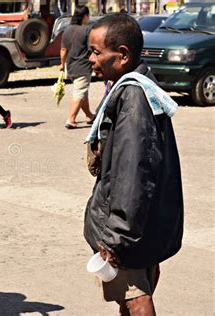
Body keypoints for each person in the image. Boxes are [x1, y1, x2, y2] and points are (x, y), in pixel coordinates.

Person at [84, 14, 183, 315]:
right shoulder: (134, 86)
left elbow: (133, 172)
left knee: (136, 297)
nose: (90, 59)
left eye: (97, 52)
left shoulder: (133, 98)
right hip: (139, 225)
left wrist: (116, 237)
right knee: (131, 296)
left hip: (128, 231)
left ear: (123, 55)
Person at [60, 5, 95, 129]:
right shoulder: (87, 30)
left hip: (71, 67)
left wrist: (62, 65)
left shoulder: (68, 29)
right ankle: (71, 119)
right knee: (80, 92)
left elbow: (63, 49)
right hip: (83, 67)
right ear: (85, 16)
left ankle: (89, 115)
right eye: (88, 15)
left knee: (82, 92)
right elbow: (91, 50)